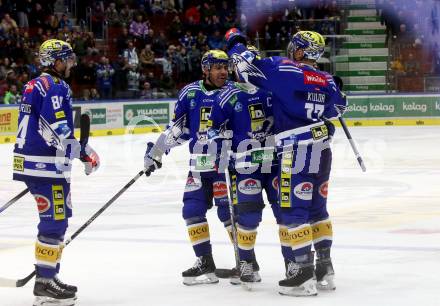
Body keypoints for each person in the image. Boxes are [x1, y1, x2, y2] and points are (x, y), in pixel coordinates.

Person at [225, 29, 347, 296]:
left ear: (300, 51)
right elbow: (339, 108)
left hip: (296, 149)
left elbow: (243, 64)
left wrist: (236, 40)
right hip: (322, 149)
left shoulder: (284, 68)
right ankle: (325, 268)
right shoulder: (327, 79)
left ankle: (303, 275)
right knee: (318, 210)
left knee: (293, 210)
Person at [12, 39, 100, 306]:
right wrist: (82, 152)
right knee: (54, 221)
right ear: (56, 61)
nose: (71, 63)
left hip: (35, 163)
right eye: (67, 58)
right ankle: (44, 283)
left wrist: (78, 147)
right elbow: (56, 127)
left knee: (58, 220)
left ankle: (49, 275)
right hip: (44, 165)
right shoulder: (54, 86)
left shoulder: (35, 83)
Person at [144, 50, 233, 285]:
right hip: (199, 163)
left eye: (225, 67)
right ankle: (205, 261)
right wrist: (157, 151)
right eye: (217, 67)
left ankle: (243, 259)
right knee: (191, 210)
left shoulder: (235, 92)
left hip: (226, 163)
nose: (223, 71)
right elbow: (179, 130)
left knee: (229, 213)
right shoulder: (190, 92)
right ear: (205, 69)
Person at [208, 74, 292, 289]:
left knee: (286, 214)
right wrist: (219, 143)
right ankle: (247, 262)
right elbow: (212, 128)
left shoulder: (274, 88)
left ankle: (292, 263)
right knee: (247, 215)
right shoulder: (227, 95)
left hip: (275, 163)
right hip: (245, 167)